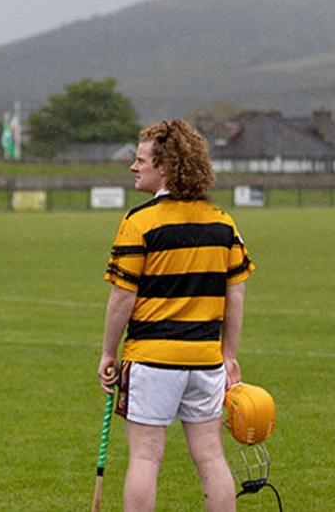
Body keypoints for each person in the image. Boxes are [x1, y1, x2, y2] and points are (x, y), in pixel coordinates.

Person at [97, 119, 254, 512]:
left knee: (146, 457)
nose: (133, 167)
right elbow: (235, 293)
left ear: (165, 166)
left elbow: (122, 298)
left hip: (152, 361)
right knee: (211, 457)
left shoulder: (139, 221)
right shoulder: (223, 222)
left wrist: (108, 352)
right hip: (205, 361)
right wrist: (228, 354)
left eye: (140, 160)